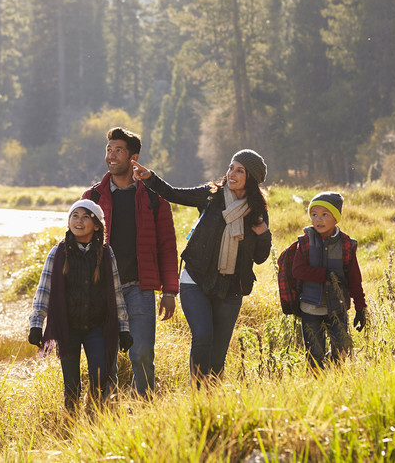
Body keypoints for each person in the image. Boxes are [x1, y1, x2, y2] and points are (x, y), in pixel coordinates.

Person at [132, 149, 272, 384]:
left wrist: (264, 236)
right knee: (203, 336)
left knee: (218, 355)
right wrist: (151, 178)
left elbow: (260, 258)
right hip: (195, 279)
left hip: (231, 289)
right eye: (231, 167)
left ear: (252, 178)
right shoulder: (211, 195)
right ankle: (198, 395)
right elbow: (173, 193)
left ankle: (211, 399)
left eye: (240, 170)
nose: (232, 174)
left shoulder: (257, 211)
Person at [82, 127, 179, 397]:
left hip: (140, 287)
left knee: (142, 352)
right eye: (108, 150)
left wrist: (170, 291)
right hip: (103, 289)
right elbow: (80, 248)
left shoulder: (154, 198)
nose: (111, 156)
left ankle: (145, 404)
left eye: (118, 151)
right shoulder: (92, 198)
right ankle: (105, 409)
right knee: (105, 356)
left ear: (133, 158)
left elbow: (167, 247)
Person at [28, 199, 133, 411]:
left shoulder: (106, 254)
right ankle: (70, 423)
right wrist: (36, 324)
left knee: (100, 376)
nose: (79, 221)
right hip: (68, 329)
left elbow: (116, 292)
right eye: (75, 216)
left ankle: (93, 412)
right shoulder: (57, 253)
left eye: (86, 217)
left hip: (97, 327)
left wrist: (123, 329)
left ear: (96, 225)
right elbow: (44, 290)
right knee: (71, 385)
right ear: (68, 221)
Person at [289, 191, 366, 367]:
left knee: (341, 349)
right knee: (314, 353)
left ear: (336, 218)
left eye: (325, 215)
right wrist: (325, 275)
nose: (318, 219)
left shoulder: (346, 244)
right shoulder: (305, 241)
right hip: (310, 308)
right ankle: (316, 385)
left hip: (337, 307)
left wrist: (360, 306)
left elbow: (354, 278)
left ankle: (335, 381)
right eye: (314, 214)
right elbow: (297, 271)